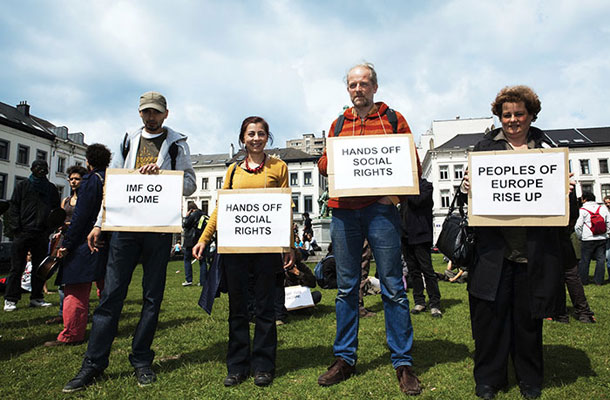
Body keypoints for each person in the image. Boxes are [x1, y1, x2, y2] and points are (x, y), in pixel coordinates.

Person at [63, 91, 196, 392]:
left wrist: (163, 174)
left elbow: (189, 184)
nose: (150, 117)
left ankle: (141, 360)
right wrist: (100, 223)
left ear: (166, 114)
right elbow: (114, 182)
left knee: (152, 297)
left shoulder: (177, 144)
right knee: (111, 296)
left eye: (156, 112)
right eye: (146, 112)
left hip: (159, 229)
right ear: (140, 114)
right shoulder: (127, 140)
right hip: (125, 228)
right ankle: (93, 363)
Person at [316, 63, 422, 395]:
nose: (358, 89)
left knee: (392, 287)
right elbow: (322, 163)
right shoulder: (338, 123)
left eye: (363, 83)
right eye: (352, 85)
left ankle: (402, 362)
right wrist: (336, 157)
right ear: (348, 90)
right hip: (344, 214)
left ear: (375, 87)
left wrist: (394, 196)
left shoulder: (393, 119)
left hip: (380, 211)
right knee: (347, 289)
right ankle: (344, 358)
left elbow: (412, 163)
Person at [460, 85, 568, 400]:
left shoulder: (548, 149)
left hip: (533, 253)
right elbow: (469, 204)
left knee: (528, 321)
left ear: (531, 114)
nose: (512, 120)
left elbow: (564, 212)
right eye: (506, 114)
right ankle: (488, 380)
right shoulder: (482, 149)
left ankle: (530, 379)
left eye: (519, 113)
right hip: (493, 252)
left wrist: (566, 190)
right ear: (499, 117)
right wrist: (466, 186)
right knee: (489, 321)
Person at [192, 116, 295, 388]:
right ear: (243, 139)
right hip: (236, 249)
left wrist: (289, 245)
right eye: (251, 134)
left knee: (264, 308)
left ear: (267, 137)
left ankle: (263, 365)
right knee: (237, 309)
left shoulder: (279, 167)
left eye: (261, 133)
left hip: (267, 249)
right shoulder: (233, 171)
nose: (256, 138)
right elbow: (220, 207)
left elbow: (287, 210)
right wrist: (205, 238)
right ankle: (237, 366)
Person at [45, 144, 112, 347]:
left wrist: (68, 243)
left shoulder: (90, 181)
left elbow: (81, 216)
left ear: (88, 162)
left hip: (85, 242)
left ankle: (71, 333)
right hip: (108, 241)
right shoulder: (113, 179)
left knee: (75, 289)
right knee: (106, 288)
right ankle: (108, 328)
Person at [4, 159, 60, 312]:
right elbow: (13, 207)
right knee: (17, 267)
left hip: (41, 233)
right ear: (33, 169)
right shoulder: (22, 186)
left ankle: (36, 297)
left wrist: (49, 229)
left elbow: (56, 211)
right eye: (38, 168)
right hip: (23, 233)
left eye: (44, 168)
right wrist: (16, 228)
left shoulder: (50, 189)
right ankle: (11, 299)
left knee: (39, 268)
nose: (41, 170)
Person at [45, 165, 88, 325]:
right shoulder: (66, 200)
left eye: (77, 179)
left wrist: (72, 225)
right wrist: (60, 228)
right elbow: (60, 218)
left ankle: (75, 312)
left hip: (79, 240)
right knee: (62, 278)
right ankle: (63, 312)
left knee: (75, 278)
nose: (73, 182)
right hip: (64, 239)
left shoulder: (85, 200)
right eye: (71, 179)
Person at [400, 178, 442, 318]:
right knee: (413, 271)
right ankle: (419, 301)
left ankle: (435, 303)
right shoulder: (404, 187)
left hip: (421, 235)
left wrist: (406, 188)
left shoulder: (426, 186)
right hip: (406, 235)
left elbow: (417, 201)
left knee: (427, 270)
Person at [575, 191, 610, 285]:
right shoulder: (603, 208)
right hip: (602, 237)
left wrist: (580, 236)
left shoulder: (582, 210)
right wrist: (606, 233)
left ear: (584, 199)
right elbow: (608, 222)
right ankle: (599, 281)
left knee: (585, 260)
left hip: (587, 238)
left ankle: (584, 280)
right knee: (600, 260)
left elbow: (578, 226)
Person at [182, 203, 208, 286]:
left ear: (190, 210)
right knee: (202, 260)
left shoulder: (192, 215)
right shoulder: (204, 214)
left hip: (191, 240)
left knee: (187, 259)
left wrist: (186, 216)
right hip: (201, 240)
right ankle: (203, 281)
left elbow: (185, 224)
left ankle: (189, 280)